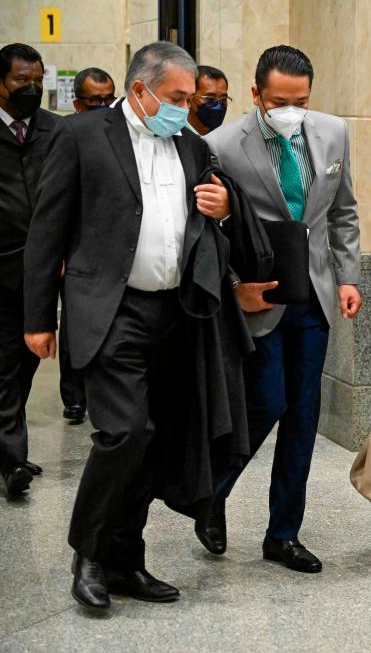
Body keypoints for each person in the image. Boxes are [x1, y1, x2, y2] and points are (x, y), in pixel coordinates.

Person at [23, 42, 232, 611]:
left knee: (157, 439)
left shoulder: (191, 146)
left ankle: (126, 559)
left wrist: (221, 207)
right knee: (125, 432)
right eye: (177, 97)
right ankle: (88, 555)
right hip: (111, 309)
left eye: (191, 98)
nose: (186, 108)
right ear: (139, 89)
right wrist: (38, 318)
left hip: (175, 314)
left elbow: (207, 221)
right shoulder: (81, 137)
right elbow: (47, 230)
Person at [201, 45, 361, 573]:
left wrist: (347, 277)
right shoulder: (222, 145)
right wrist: (232, 287)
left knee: (302, 416)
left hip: (313, 296)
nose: (290, 110)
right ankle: (209, 495)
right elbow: (204, 234)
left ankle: (283, 534)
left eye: (301, 100)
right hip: (259, 295)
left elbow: (343, 211)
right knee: (265, 403)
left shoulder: (333, 132)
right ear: (256, 96)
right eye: (278, 101)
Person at [0, 43, 57, 495]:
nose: (32, 88)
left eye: (37, 80)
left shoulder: (56, 132)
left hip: (44, 272)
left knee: (26, 361)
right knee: (4, 360)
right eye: (22, 80)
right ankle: (12, 460)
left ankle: (7, 448)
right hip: (0, 268)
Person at [55, 68, 116, 425]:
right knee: (75, 325)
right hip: (74, 246)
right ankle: (74, 396)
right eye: (95, 100)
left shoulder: (121, 133)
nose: (103, 105)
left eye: (108, 98)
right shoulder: (67, 134)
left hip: (109, 243)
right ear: (78, 102)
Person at [187, 65, 229, 135]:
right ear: (189, 98)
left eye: (223, 99)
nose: (218, 106)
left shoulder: (227, 139)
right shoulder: (174, 138)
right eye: (210, 99)